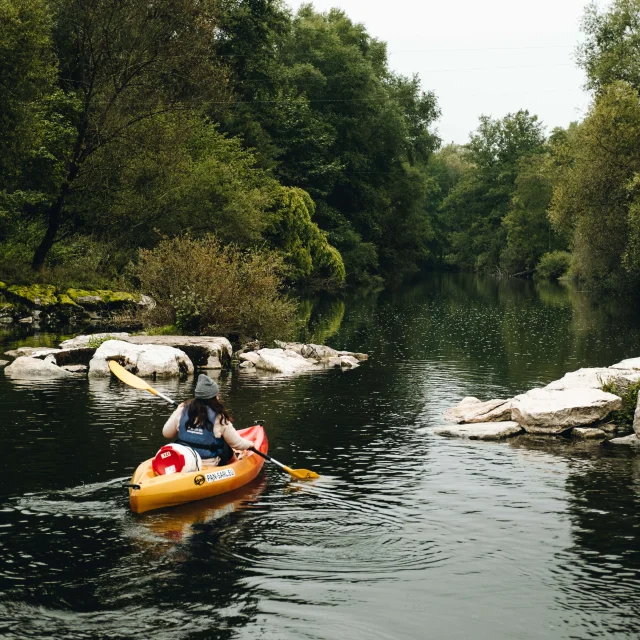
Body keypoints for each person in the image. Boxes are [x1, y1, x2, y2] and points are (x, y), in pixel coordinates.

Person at [162, 374, 253, 465]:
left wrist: (177, 410)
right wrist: (250, 445)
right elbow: (237, 444)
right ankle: (235, 465)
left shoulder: (182, 409)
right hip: (207, 463)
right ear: (214, 397)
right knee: (225, 445)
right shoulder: (219, 417)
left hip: (184, 460)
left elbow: (167, 433)